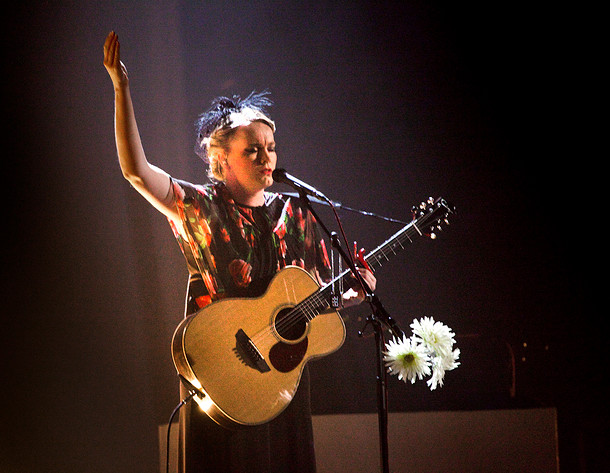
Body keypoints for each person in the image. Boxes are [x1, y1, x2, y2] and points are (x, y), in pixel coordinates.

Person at [103, 31, 376, 473]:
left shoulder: (296, 214)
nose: (266, 158)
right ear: (221, 160)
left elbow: (321, 302)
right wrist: (121, 88)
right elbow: (136, 172)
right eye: (252, 150)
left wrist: (355, 294)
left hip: (281, 378)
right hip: (224, 374)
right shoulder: (200, 208)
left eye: (270, 148)